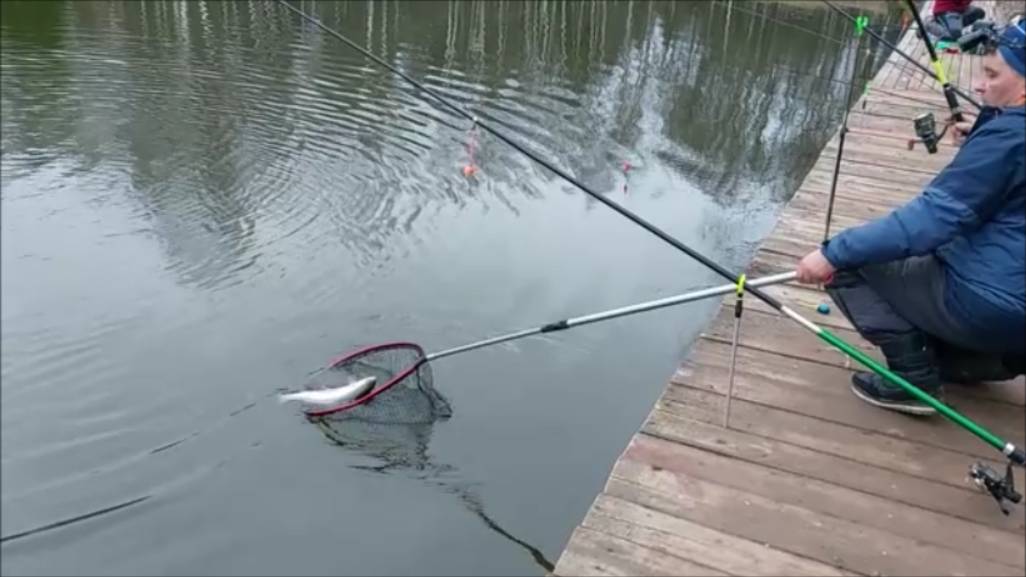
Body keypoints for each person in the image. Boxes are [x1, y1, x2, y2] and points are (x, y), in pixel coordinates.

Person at [795, 20, 1025, 416]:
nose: (978, 86)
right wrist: (987, 129)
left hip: (991, 304)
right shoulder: (1009, 134)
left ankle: (914, 381)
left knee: (851, 262)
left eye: (992, 74)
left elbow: (932, 221)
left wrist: (833, 253)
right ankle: (974, 362)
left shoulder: (1010, 140)